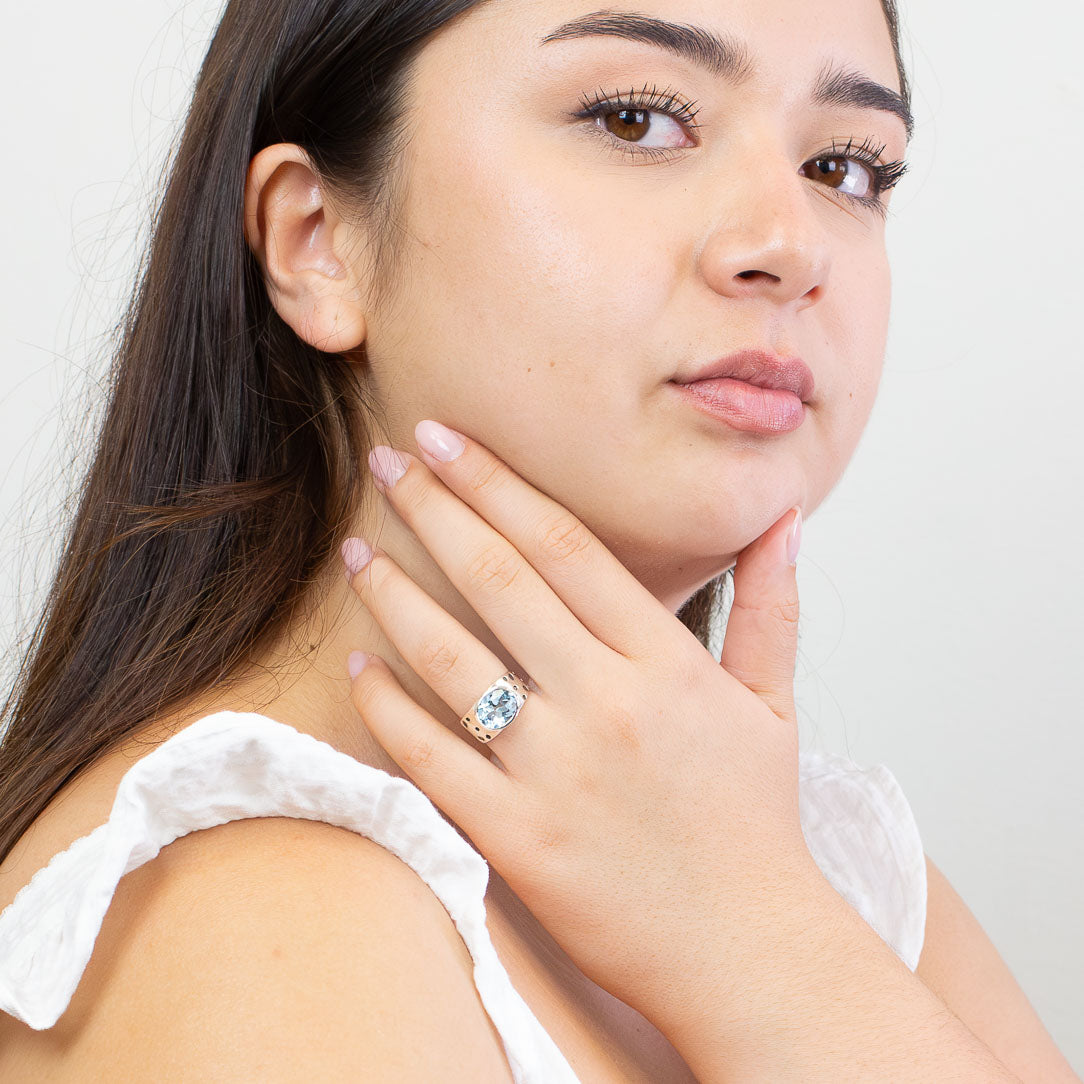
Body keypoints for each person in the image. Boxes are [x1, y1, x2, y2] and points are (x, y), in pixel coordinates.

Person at [0, 0, 1077, 1079]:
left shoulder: (808, 869)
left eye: (845, 166)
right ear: (318, 241)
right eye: (633, 119)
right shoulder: (252, 918)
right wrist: (759, 945)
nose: (788, 246)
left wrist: (759, 929)